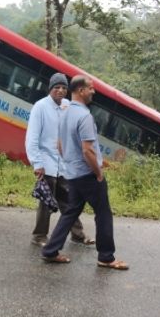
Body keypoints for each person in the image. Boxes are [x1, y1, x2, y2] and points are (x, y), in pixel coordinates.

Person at [41, 75, 128, 270]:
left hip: (72, 173)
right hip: (87, 174)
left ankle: (50, 251)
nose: (93, 92)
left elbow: (59, 144)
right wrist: (98, 173)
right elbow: (87, 150)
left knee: (71, 212)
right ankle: (106, 257)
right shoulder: (84, 116)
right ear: (81, 90)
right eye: (91, 88)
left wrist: (69, 163)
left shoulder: (64, 113)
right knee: (103, 213)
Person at [25, 72, 94, 247]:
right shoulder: (40, 107)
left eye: (64, 88)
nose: (61, 91)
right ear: (50, 89)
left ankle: (78, 235)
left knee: (70, 202)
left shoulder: (67, 106)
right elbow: (32, 137)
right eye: (57, 87)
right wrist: (37, 163)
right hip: (46, 162)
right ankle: (39, 236)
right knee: (46, 202)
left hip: (63, 164)